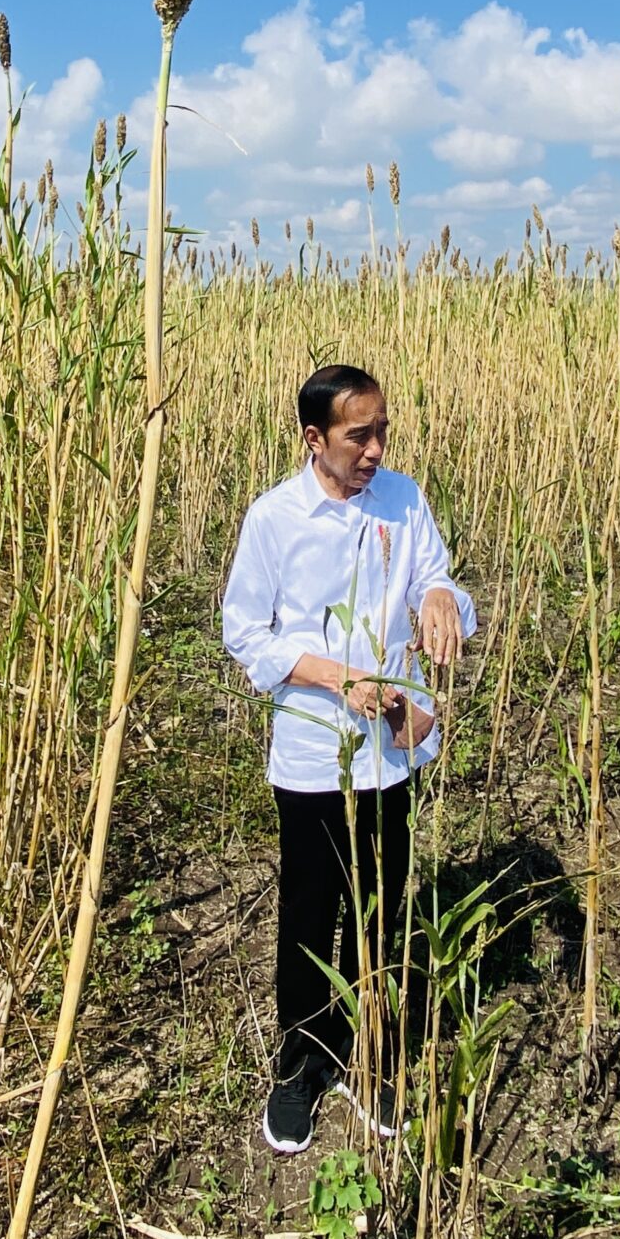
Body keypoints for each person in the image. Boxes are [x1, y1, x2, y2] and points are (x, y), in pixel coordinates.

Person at [221, 363, 475, 1154]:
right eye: (357, 435)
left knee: (386, 907)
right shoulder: (274, 518)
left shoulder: (404, 498)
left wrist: (440, 597)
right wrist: (336, 678)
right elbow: (245, 632)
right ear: (313, 439)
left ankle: (375, 1052)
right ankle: (301, 1061)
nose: (374, 448)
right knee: (308, 913)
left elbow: (438, 583)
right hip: (310, 750)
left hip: (390, 753)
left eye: (382, 431)